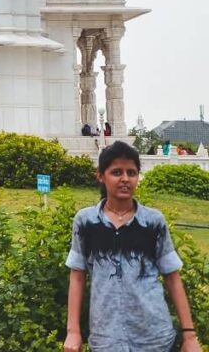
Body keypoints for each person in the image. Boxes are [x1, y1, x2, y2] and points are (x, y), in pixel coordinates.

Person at [64, 141, 202, 352]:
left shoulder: (153, 221)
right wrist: (73, 332)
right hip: (106, 338)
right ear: (101, 176)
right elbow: (77, 276)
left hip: (154, 337)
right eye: (116, 172)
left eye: (132, 172)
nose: (125, 179)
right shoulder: (86, 222)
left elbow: (172, 277)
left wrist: (189, 335)